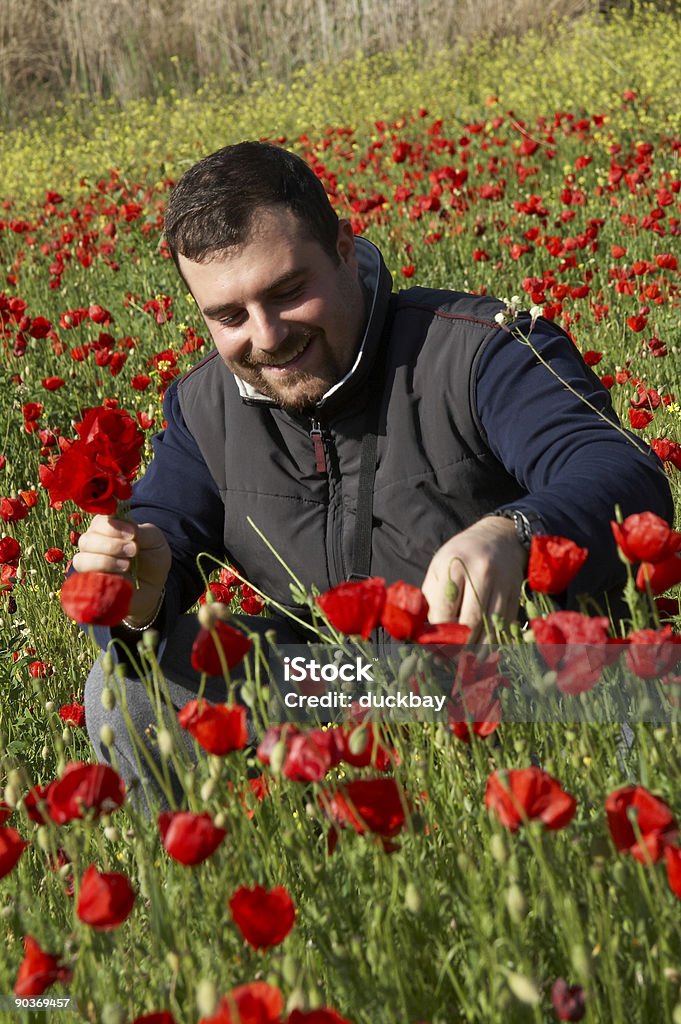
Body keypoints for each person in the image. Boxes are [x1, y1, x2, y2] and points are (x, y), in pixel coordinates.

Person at [74, 141, 673, 804]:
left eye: (286, 291)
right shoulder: (202, 405)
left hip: (512, 677)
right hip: (328, 681)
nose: (266, 336)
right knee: (123, 684)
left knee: (660, 682)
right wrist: (135, 593)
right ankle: (189, 894)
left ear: (343, 249)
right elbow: (163, 529)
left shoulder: (479, 348)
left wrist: (514, 532)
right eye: (228, 315)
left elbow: (619, 470)